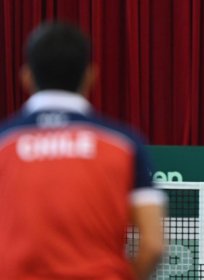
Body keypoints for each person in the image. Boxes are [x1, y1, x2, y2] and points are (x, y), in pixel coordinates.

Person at [0, 21, 167, 279]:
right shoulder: (124, 144)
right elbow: (153, 245)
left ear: (26, 76)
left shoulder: (4, 143)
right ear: (91, 75)